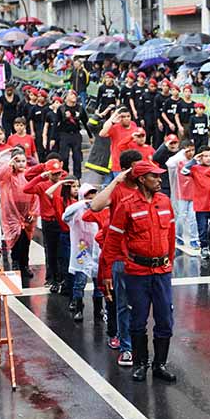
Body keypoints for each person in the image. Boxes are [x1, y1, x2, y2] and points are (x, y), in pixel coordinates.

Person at [101, 161, 177, 383]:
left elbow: (171, 236)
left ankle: (159, 364)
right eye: (154, 176)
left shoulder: (165, 201)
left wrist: (169, 263)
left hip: (161, 272)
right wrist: (106, 273)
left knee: (165, 320)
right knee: (138, 320)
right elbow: (112, 240)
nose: (160, 180)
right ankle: (140, 364)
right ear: (142, 179)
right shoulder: (127, 205)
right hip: (137, 272)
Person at [92, 150, 144, 366]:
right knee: (123, 305)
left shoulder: (146, 187)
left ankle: (141, 346)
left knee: (142, 306)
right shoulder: (118, 188)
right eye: (137, 166)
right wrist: (115, 181)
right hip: (121, 258)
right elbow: (95, 205)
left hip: (143, 257)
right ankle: (127, 347)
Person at [0, 147, 38, 277]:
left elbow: (36, 194)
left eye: (23, 161)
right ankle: (15, 262)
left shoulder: (29, 174)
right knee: (15, 240)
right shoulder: (7, 174)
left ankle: (25, 264)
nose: (21, 163)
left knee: (26, 240)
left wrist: (33, 212)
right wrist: (9, 164)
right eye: (18, 161)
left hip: (27, 213)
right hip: (12, 213)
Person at [62, 183, 105, 322]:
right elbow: (65, 215)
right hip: (81, 253)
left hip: (97, 252)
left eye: (93, 194)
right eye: (88, 195)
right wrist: (83, 203)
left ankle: (98, 310)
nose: (91, 198)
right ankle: (79, 308)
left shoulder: (100, 211)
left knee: (98, 284)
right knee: (79, 283)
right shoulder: (75, 213)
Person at [23, 157, 66, 291]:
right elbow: (27, 188)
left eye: (58, 173)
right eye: (54, 174)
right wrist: (41, 176)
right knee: (50, 252)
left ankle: (61, 278)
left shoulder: (64, 184)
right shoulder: (42, 185)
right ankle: (52, 278)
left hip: (62, 221)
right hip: (48, 223)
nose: (57, 176)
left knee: (62, 252)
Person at [182, 147, 210, 259]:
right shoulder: (195, 168)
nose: (208, 158)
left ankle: (208, 239)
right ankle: (204, 248)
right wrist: (193, 160)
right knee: (202, 228)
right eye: (205, 156)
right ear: (201, 157)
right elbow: (183, 171)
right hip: (200, 205)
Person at [98, 108, 140, 180]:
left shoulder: (134, 125)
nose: (126, 119)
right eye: (123, 117)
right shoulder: (115, 127)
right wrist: (112, 121)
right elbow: (102, 134)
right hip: (118, 165)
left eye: (128, 116)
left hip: (133, 165)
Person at [55, 90, 90, 178]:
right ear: (66, 98)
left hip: (76, 135)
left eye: (75, 94)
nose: (74, 96)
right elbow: (56, 123)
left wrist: (90, 136)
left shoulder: (80, 108)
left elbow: (86, 123)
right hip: (64, 134)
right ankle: (65, 175)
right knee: (64, 157)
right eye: (71, 95)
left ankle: (77, 178)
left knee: (77, 158)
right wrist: (53, 138)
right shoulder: (61, 109)